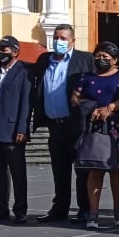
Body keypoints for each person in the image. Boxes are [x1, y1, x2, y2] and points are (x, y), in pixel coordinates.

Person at [33, 24, 95, 224]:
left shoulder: (85, 60)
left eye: (63, 38)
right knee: (59, 170)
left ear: (72, 41)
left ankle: (84, 209)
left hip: (76, 124)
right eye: (56, 37)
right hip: (54, 124)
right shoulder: (44, 60)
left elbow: (96, 86)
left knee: (81, 169)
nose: (59, 41)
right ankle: (59, 208)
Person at [71, 41, 119, 230]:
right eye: (98, 56)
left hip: (118, 127)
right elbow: (75, 97)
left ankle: (118, 211)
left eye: (105, 57)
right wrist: (89, 106)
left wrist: (111, 107)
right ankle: (93, 213)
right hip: (95, 127)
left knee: (117, 171)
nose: (101, 60)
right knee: (95, 169)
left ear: (115, 60)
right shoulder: (86, 77)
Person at [0, 35, 33, 224]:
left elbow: (26, 102)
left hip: (12, 131)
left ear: (15, 51)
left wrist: (22, 128)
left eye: (5, 49)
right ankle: (0, 208)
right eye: (0, 49)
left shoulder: (23, 71)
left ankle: (20, 210)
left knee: (18, 173)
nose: (2, 52)